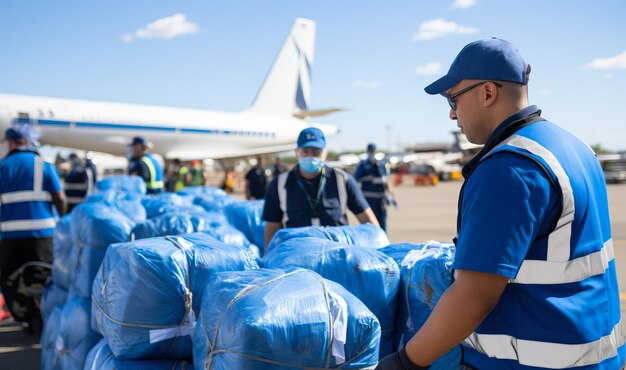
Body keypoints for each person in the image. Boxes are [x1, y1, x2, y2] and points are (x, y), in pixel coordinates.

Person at [376, 38, 624, 369]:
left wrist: (406, 362)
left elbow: (474, 296)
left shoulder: (509, 168)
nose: (452, 113)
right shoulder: (574, 148)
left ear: (488, 93)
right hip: (596, 356)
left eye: (453, 100)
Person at [263, 127, 379, 248]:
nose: (311, 156)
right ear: (297, 152)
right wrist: (269, 254)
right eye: (305, 151)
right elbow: (272, 226)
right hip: (298, 257)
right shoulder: (279, 184)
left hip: (337, 255)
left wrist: (379, 251)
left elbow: (369, 221)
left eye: (316, 152)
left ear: (325, 153)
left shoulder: (342, 180)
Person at [0, 127, 67, 333]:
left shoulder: (2, 166)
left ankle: (26, 317)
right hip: (43, 234)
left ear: (10, 143)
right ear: (28, 142)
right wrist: (62, 223)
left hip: (9, 235)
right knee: (43, 277)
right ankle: (46, 317)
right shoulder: (44, 165)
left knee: (10, 279)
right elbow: (60, 199)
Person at [354, 143, 390, 231]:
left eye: (373, 151)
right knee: (369, 225)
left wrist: (389, 195)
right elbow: (355, 181)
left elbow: (385, 181)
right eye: (371, 151)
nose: (372, 153)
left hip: (380, 201)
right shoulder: (363, 165)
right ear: (368, 151)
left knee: (382, 223)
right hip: (368, 201)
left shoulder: (381, 165)